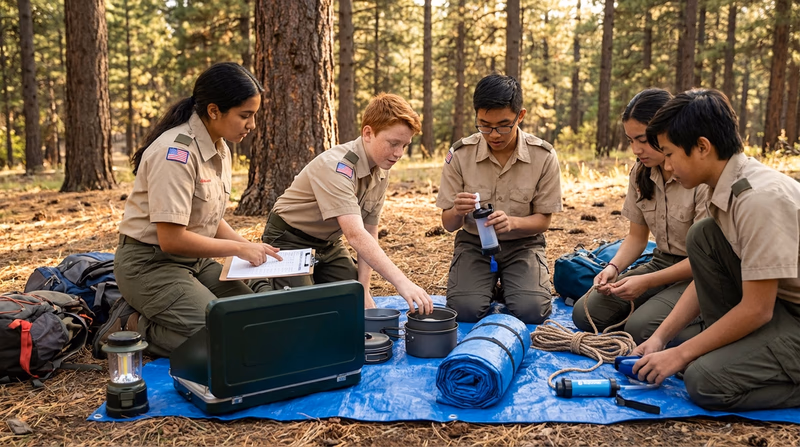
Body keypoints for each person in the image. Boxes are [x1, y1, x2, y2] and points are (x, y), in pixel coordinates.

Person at [93, 62, 281, 358]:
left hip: (194, 262)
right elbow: (171, 239)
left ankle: (170, 314)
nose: (252, 125)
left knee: (252, 322)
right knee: (226, 338)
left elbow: (209, 219)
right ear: (214, 110)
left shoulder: (220, 148)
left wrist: (250, 246)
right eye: (245, 116)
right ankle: (130, 325)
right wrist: (238, 251)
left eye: (254, 115)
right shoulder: (176, 154)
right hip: (150, 265)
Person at [632, 88, 800, 411]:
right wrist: (661, 339)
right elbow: (709, 277)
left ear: (702, 147)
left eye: (668, 154)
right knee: (703, 236)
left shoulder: (757, 201)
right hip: (781, 308)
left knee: (703, 381)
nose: (666, 167)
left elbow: (757, 309)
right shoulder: (725, 187)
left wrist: (681, 354)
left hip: (787, 316)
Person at [258, 93, 433, 315]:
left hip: (328, 244)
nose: (398, 153)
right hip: (289, 239)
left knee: (351, 299)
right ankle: (263, 286)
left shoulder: (380, 168)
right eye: (393, 143)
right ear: (368, 133)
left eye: (405, 145)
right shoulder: (337, 167)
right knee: (303, 313)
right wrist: (402, 282)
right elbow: (355, 235)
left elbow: (369, 232)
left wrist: (365, 291)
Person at [571, 89, 708, 344]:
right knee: (584, 312)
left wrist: (646, 282)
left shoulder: (697, 176)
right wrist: (613, 267)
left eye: (643, 140)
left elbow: (704, 261)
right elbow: (637, 237)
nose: (636, 149)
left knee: (639, 328)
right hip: (662, 263)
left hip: (697, 273)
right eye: (630, 140)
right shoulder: (641, 172)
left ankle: (707, 325)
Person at [436, 74, 562, 324]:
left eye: (503, 125)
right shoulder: (460, 154)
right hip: (474, 244)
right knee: (465, 309)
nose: (493, 134)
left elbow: (543, 221)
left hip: (523, 245)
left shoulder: (543, 155)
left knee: (532, 310)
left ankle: (513, 286)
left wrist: (513, 223)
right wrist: (458, 211)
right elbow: (448, 225)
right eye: (484, 125)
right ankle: (486, 286)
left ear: (520, 116)